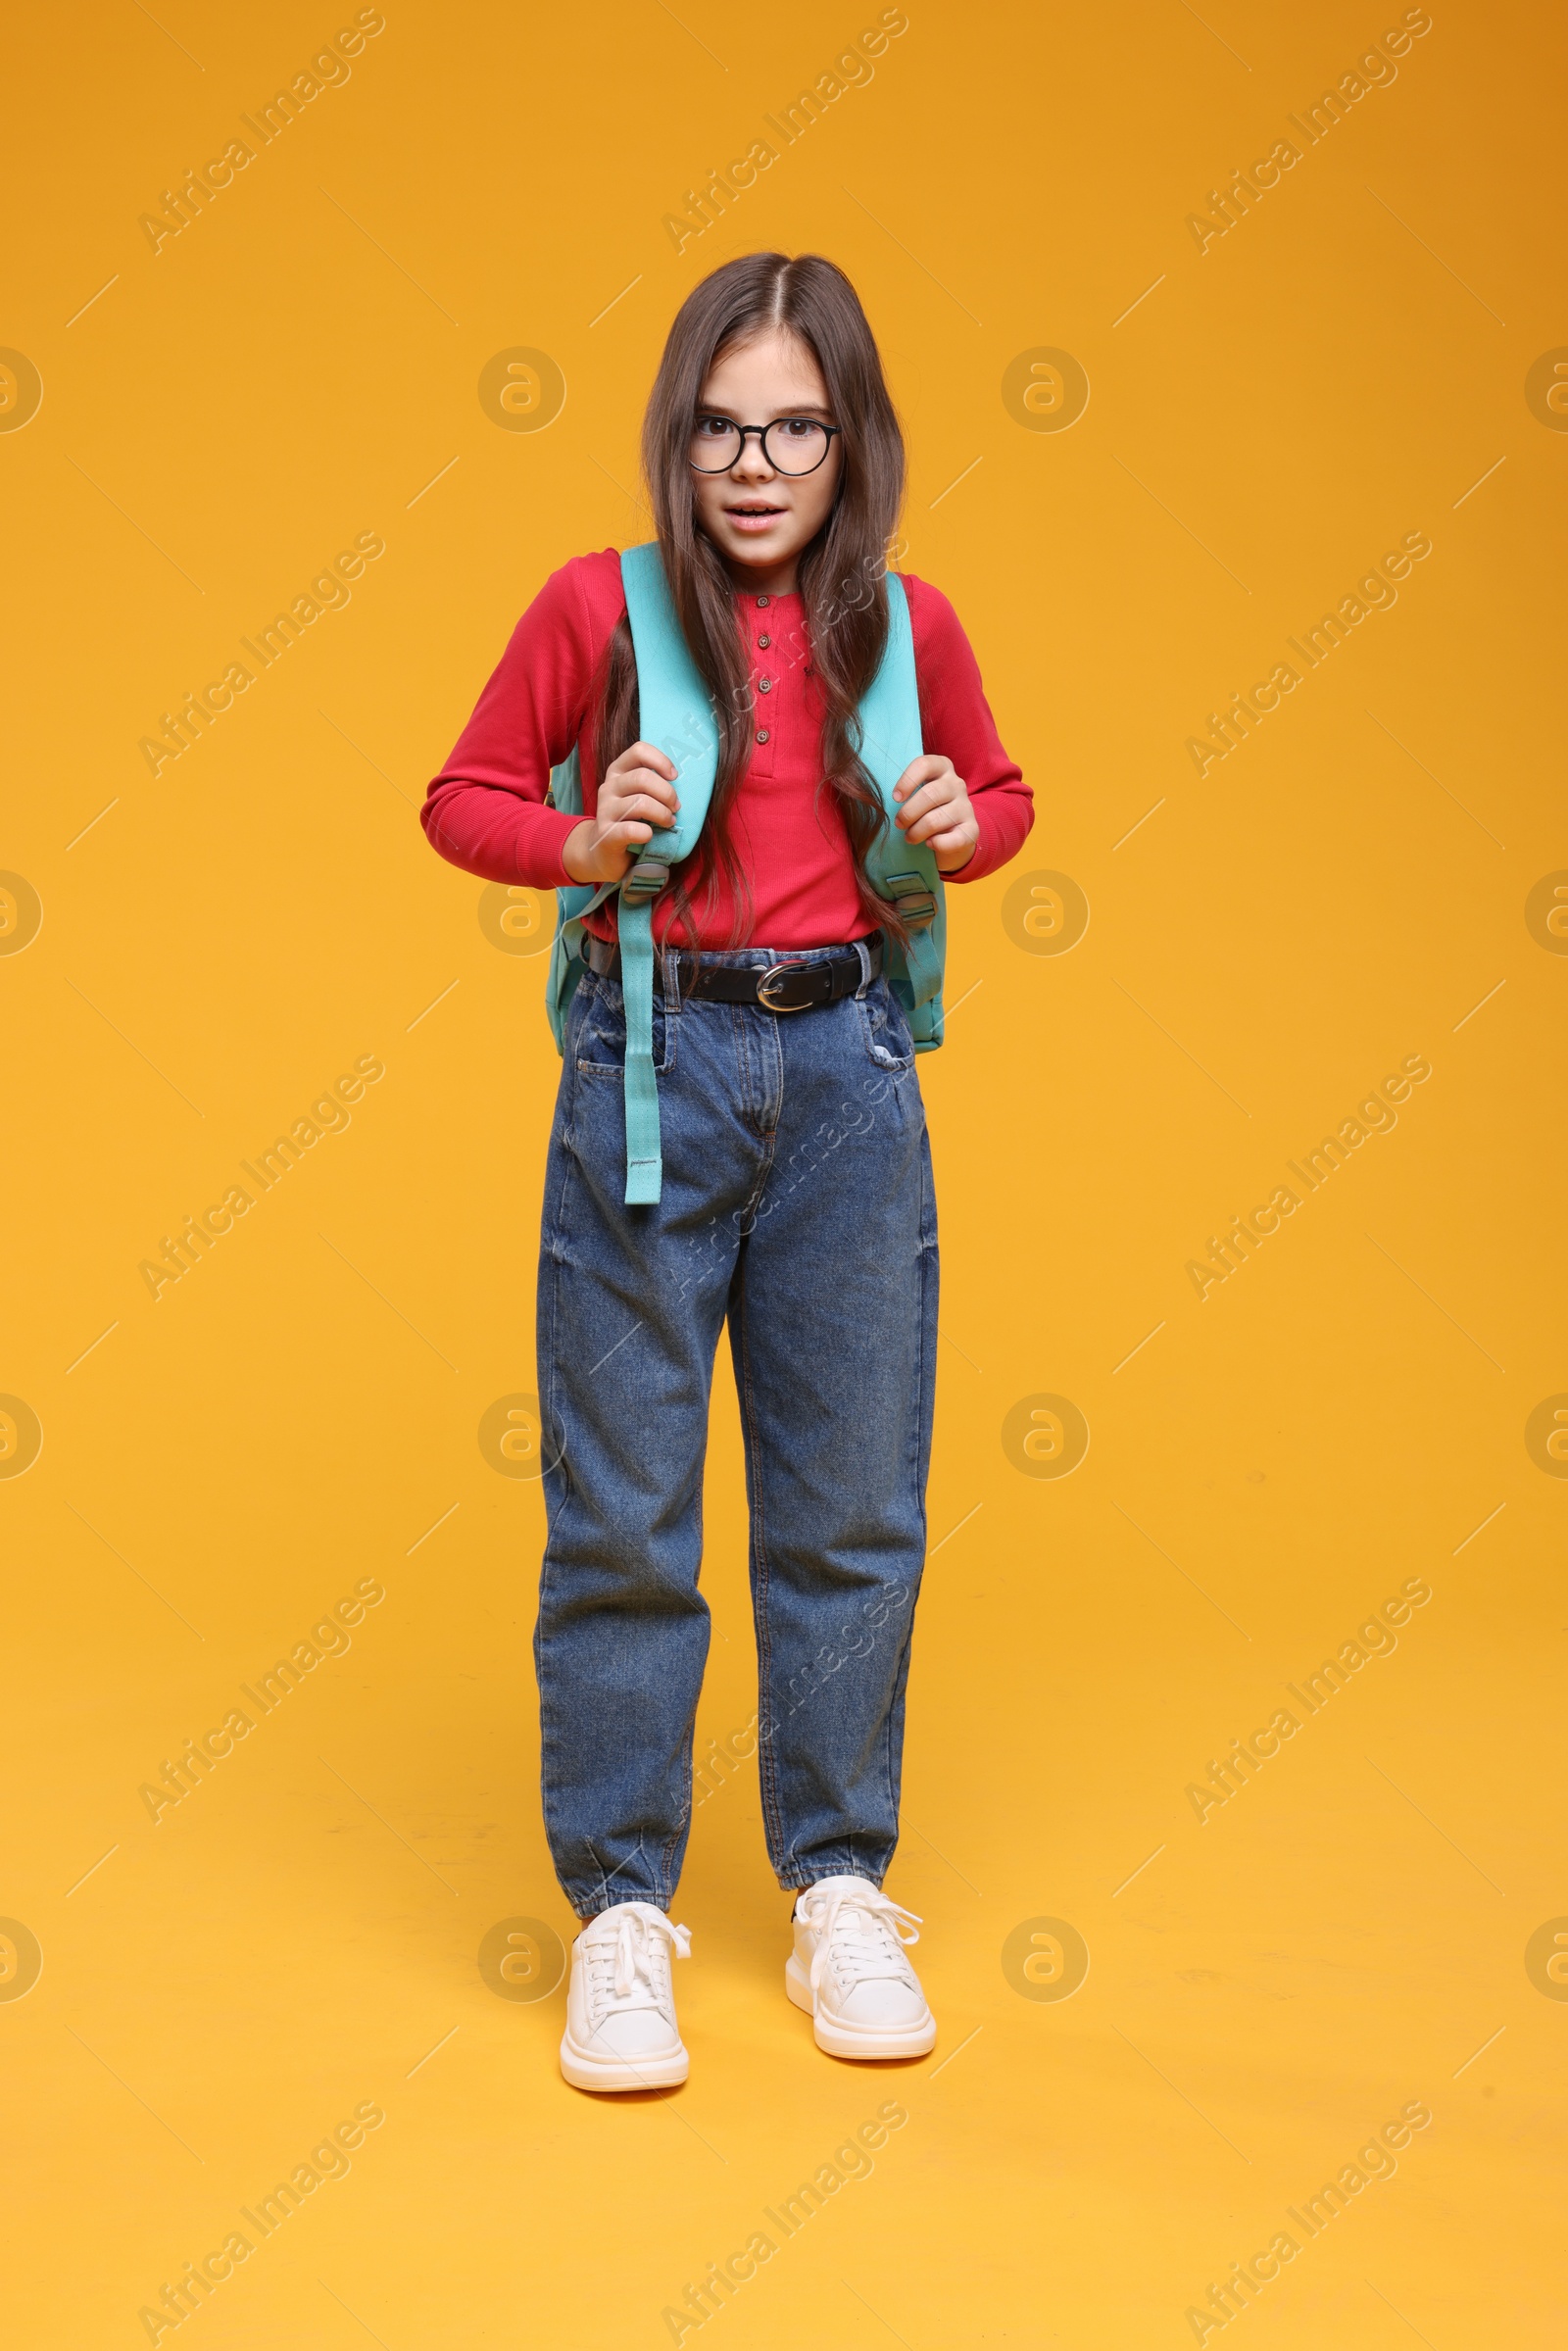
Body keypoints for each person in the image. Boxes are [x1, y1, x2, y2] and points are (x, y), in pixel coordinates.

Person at [422, 251, 1032, 2091]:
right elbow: (460, 797)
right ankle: (622, 1908)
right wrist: (574, 833)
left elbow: (999, 801)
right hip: (651, 1061)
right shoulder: (592, 612)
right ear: (677, 440)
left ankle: (839, 1884)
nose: (756, 462)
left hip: (849, 1069)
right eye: (721, 426)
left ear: (854, 443)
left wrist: (959, 822)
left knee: (851, 1504)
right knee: (623, 1515)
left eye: (796, 427)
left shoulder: (907, 627)